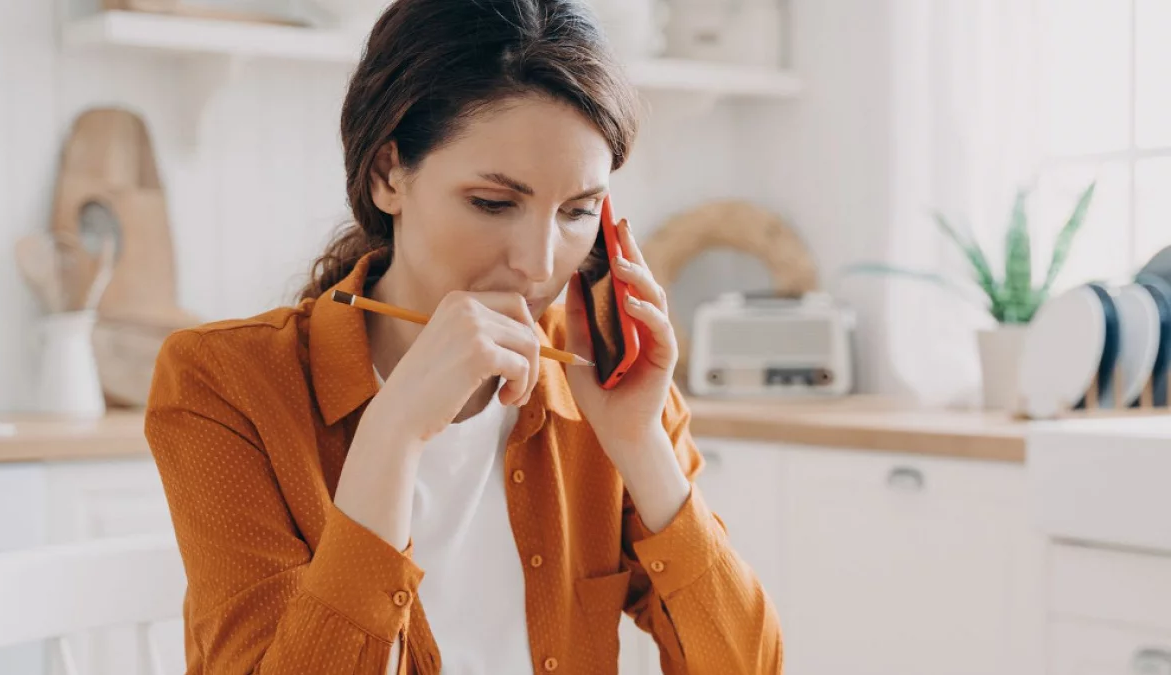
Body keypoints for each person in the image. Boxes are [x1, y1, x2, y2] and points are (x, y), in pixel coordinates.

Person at [144, 0, 782, 673]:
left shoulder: (607, 382)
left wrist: (640, 443)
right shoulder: (222, 381)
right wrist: (392, 432)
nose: (539, 263)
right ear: (389, 173)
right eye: (493, 203)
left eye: (577, 211)